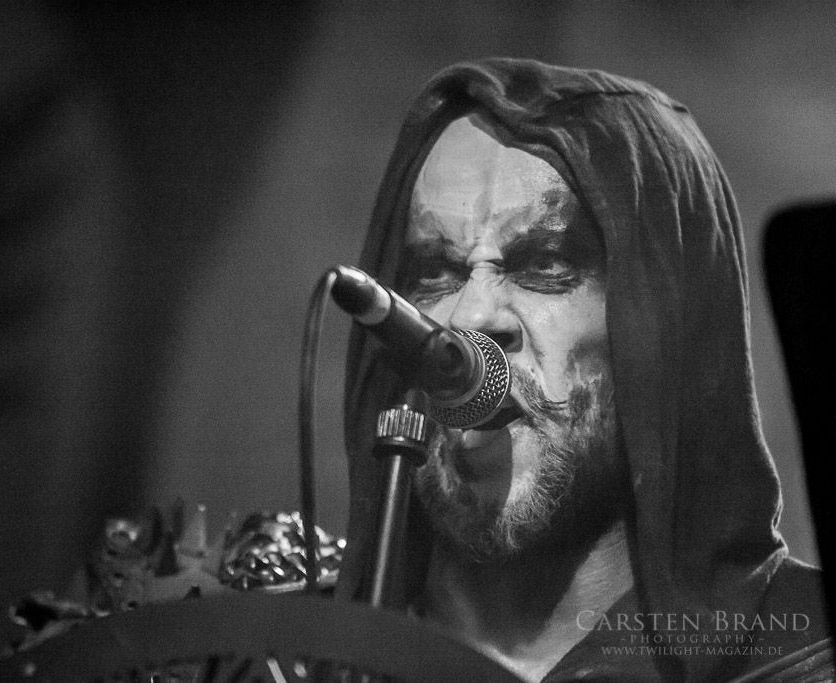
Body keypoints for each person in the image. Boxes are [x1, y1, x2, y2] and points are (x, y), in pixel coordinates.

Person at [337, 58, 831, 681]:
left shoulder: (808, 655)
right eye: (436, 272)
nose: (472, 317)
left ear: (669, 326)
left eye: (545, 265)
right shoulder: (289, 650)